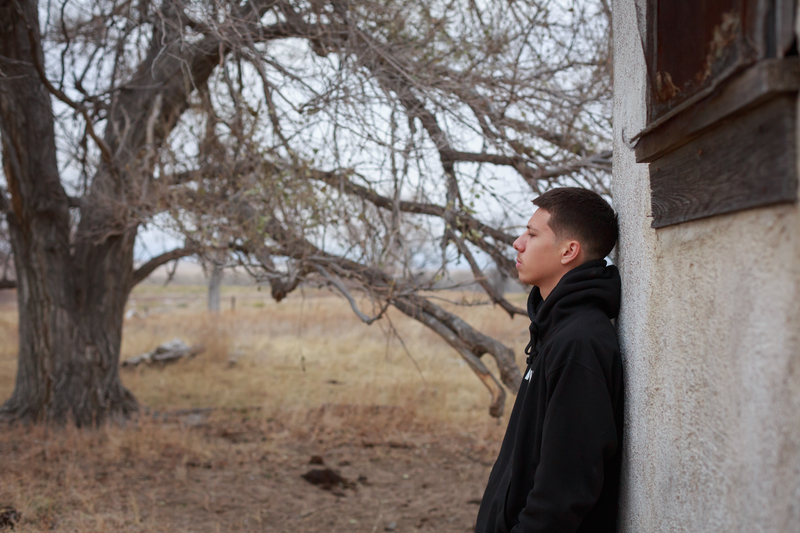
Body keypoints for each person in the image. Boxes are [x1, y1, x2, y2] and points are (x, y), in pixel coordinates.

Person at [475, 187, 623, 533]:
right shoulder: (555, 329)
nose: (518, 242)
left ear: (569, 251)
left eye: (532, 233)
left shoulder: (579, 343)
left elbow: (564, 489)